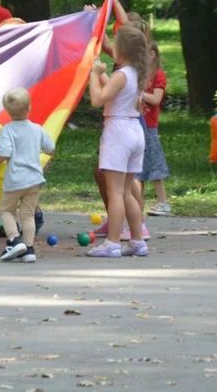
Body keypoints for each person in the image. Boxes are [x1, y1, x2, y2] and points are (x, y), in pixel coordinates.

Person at [86, 25, 150, 258]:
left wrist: (93, 75)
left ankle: (112, 243)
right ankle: (137, 241)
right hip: (134, 131)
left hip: (118, 132)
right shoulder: (134, 73)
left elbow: (98, 99)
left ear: (122, 50)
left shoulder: (122, 75)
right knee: (126, 192)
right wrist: (99, 70)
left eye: (115, 43)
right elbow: (113, 86)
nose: (112, 45)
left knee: (114, 193)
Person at [0, 87, 54, 263]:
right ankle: (29, 250)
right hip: (34, 180)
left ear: (7, 111)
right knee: (27, 215)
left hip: (16, 179)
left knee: (6, 210)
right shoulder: (37, 129)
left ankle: (15, 239)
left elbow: (5, 152)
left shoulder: (8, 130)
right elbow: (50, 147)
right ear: (29, 107)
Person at [135, 39, 172, 215]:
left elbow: (156, 99)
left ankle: (163, 203)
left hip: (149, 125)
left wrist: (139, 93)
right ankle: (137, 202)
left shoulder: (158, 75)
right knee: (137, 166)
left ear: (152, 55)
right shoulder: (139, 75)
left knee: (154, 164)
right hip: (136, 123)